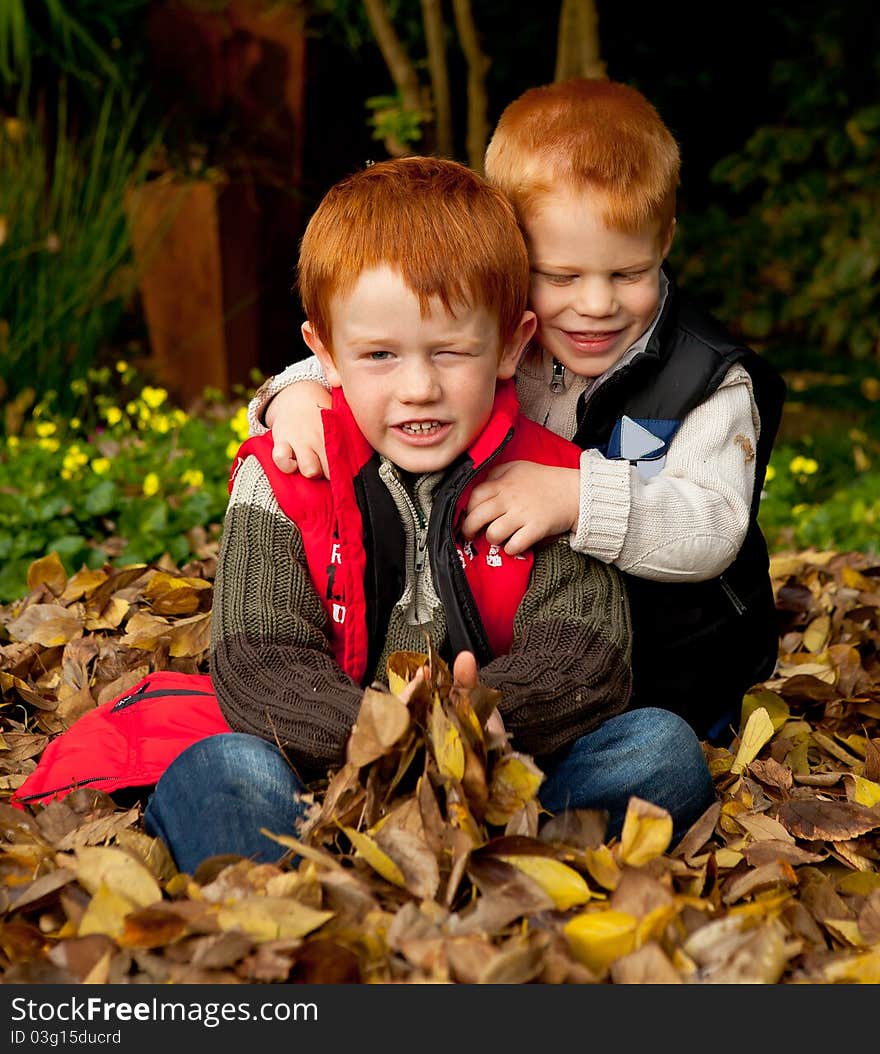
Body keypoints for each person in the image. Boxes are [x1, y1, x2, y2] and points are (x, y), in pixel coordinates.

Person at [144, 155, 715, 875]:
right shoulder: (284, 475)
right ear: (324, 353)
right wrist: (393, 732)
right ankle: (318, 879)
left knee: (660, 750)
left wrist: (472, 725)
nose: (419, 388)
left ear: (511, 344)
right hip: (322, 773)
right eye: (379, 354)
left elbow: (590, 655)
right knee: (225, 767)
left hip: (501, 770)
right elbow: (259, 662)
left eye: (451, 352)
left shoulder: (553, 476)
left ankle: (486, 863)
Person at [247, 79, 787, 745]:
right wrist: (290, 398)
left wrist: (578, 496)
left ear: (665, 240)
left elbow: (715, 528)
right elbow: (376, 351)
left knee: (657, 751)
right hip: (524, 655)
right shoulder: (505, 339)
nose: (595, 306)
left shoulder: (709, 379)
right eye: (559, 276)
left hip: (676, 667)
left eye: (627, 274)